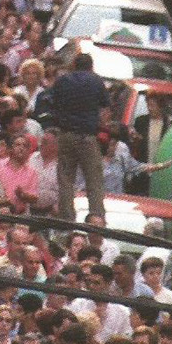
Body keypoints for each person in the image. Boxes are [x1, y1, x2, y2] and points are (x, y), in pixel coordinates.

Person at [50, 53, 109, 221]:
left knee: (66, 178)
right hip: (88, 136)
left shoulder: (63, 80)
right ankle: (96, 216)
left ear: (75, 65)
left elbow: (53, 102)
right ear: (91, 66)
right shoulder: (96, 81)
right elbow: (105, 108)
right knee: (94, 179)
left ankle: (66, 217)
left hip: (66, 134)